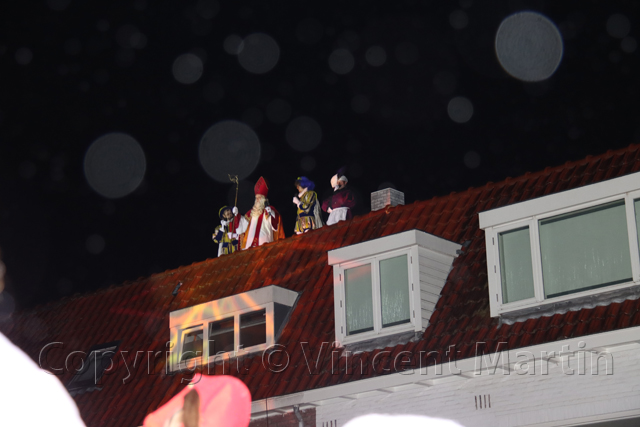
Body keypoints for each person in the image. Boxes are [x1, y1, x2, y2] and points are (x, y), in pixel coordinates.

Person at [236, 177, 284, 249]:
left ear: (264, 199)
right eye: (256, 198)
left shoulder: (269, 210)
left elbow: (275, 225)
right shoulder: (251, 213)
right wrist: (236, 215)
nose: (257, 199)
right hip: (250, 244)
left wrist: (270, 212)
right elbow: (242, 227)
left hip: (264, 242)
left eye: (259, 197)